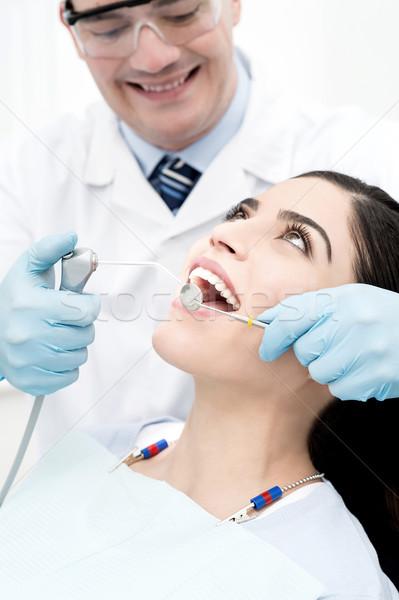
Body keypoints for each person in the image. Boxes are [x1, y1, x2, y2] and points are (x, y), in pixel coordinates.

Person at [1, 0, 399, 455]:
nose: (153, 58)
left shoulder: (380, 156)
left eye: (180, 12)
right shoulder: (22, 171)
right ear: (73, 32)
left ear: (231, 4)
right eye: (109, 26)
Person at [1, 172, 398, 598]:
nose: (225, 233)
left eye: (296, 239)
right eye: (240, 213)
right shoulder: (87, 451)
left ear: (356, 341)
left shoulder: (333, 580)